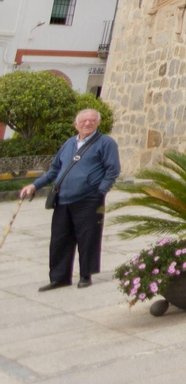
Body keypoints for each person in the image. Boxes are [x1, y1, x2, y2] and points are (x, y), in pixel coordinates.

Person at [18, 108, 120, 290]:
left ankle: (85, 275)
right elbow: (54, 170)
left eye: (91, 120)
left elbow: (113, 170)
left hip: (89, 199)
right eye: (83, 121)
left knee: (88, 238)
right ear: (75, 125)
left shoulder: (106, 143)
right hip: (63, 199)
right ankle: (59, 277)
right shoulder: (68, 144)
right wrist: (34, 185)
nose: (87, 124)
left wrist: (100, 191)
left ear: (98, 122)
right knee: (60, 239)